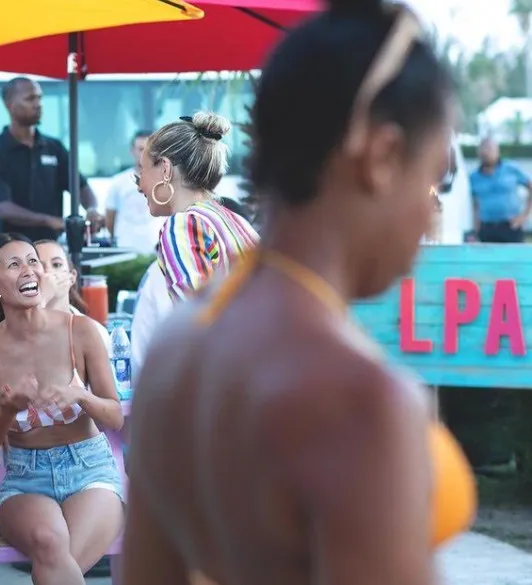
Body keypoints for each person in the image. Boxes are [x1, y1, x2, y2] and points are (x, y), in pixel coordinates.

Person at [123, 3, 476, 585]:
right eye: (434, 175)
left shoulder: (179, 349)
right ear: (382, 156)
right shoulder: (361, 403)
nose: (428, 216)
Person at [0, 233, 124, 585]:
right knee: (50, 545)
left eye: (33, 261)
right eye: (15, 264)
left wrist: (82, 397)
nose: (29, 270)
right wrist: (6, 409)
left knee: (58, 566)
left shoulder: (80, 331)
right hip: (25, 478)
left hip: (91, 469)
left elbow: (114, 416)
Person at [137, 112, 259, 304]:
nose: (139, 184)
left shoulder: (182, 226)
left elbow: (198, 319)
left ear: (165, 169)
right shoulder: (234, 219)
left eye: (141, 170)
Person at [0, 77, 102, 242]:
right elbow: (2, 209)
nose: (38, 104)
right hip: (9, 249)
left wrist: (92, 209)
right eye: (30, 98)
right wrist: (49, 221)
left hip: (49, 247)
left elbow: (81, 187)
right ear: (9, 105)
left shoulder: (54, 147)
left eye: (39, 97)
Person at [34, 239, 111, 353]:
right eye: (39, 266)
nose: (48, 273)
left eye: (56, 265)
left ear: (72, 277)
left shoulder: (95, 331)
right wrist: (42, 299)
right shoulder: (12, 331)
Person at [105, 131, 163, 254]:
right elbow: (110, 218)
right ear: (132, 151)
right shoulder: (118, 182)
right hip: (125, 252)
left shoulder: (166, 179)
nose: (144, 154)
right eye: (141, 149)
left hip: (157, 252)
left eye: (148, 149)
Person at [469, 137, 532, 243]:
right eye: (483, 149)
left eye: (489, 149)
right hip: (486, 229)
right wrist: (476, 227)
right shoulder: (473, 177)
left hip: (511, 227)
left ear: (497, 151)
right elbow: (475, 203)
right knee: (489, 259)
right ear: (478, 153)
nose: (486, 152)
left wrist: (524, 215)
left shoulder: (511, 169)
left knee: (514, 259)